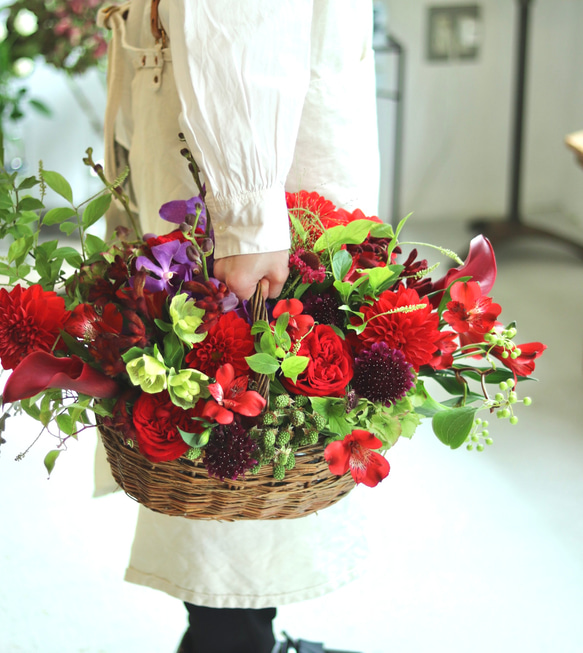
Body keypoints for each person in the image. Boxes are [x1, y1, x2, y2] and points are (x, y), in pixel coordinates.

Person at [96, 2, 380, 652]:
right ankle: (231, 641)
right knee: (232, 399)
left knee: (258, 414)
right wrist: (247, 210)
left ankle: (240, 634)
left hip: (258, 90)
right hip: (247, 111)